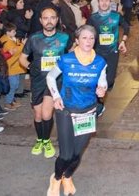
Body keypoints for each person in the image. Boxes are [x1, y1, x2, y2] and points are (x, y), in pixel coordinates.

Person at [46, 25, 107, 196]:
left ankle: (68, 176)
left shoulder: (100, 62)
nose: (88, 41)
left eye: (91, 38)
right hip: (66, 110)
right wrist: (56, 97)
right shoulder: (66, 60)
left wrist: (102, 88)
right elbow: (50, 77)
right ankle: (56, 179)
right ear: (77, 40)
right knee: (66, 155)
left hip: (88, 112)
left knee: (77, 153)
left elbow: (102, 82)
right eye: (84, 38)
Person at [20, 6, 71, 159]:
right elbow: (22, 58)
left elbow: (72, 56)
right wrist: (30, 67)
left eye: (52, 18)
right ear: (41, 20)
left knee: (47, 113)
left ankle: (47, 140)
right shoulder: (34, 38)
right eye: (46, 18)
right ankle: (40, 139)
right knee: (38, 114)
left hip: (55, 82)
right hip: (37, 81)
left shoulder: (64, 38)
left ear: (57, 20)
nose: (49, 21)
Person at [86, 0, 129, 115]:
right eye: (101, 0)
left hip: (112, 52)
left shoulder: (116, 16)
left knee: (109, 81)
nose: (104, 2)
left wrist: (123, 41)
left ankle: (102, 94)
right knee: (96, 79)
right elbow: (87, 33)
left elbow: (126, 27)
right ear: (98, 2)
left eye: (106, 0)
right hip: (97, 53)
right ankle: (98, 105)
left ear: (110, 2)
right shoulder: (93, 18)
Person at [0, 23, 26, 110]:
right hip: (10, 66)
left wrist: (19, 43)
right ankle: (8, 102)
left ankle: (11, 99)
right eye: (13, 31)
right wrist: (22, 45)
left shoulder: (11, 38)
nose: (15, 33)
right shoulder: (6, 41)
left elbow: (16, 47)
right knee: (13, 85)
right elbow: (15, 52)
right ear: (8, 32)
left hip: (14, 66)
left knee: (15, 84)